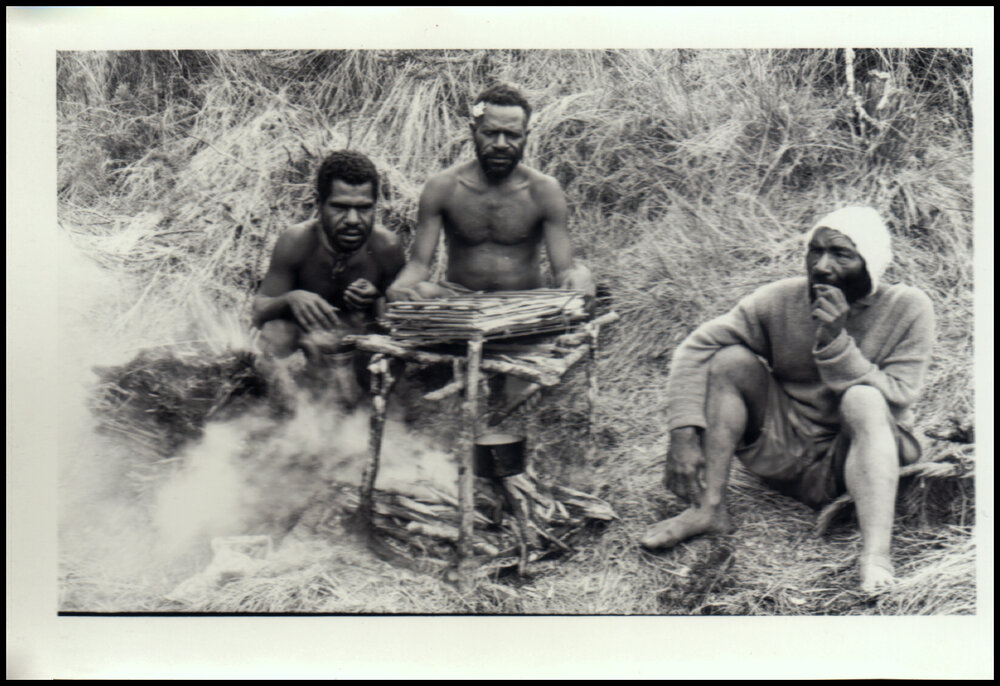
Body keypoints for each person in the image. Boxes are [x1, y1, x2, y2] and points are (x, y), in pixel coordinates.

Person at [641, 206, 936, 593]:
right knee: (730, 361)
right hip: (786, 453)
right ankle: (709, 508)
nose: (822, 266)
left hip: (859, 460)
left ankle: (876, 556)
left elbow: (898, 395)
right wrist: (682, 431)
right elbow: (696, 347)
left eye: (841, 254)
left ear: (872, 262)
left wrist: (835, 341)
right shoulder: (780, 300)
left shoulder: (909, 308)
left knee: (863, 399)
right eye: (815, 251)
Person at [386, 83, 594, 302]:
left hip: (525, 306)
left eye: (512, 135)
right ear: (473, 131)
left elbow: (562, 270)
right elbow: (419, 264)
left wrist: (576, 279)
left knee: (583, 283)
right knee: (422, 292)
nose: (501, 144)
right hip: (460, 304)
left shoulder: (544, 191)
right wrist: (400, 287)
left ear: (526, 135)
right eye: (491, 133)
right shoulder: (443, 187)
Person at [252, 150, 405, 398]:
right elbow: (258, 312)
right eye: (340, 208)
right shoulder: (297, 242)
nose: (353, 220)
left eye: (364, 208)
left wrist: (379, 296)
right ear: (318, 203)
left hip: (358, 353)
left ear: (376, 205)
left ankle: (370, 411)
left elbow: (402, 321)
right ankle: (274, 411)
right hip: (307, 352)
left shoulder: (386, 247)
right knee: (276, 334)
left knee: (387, 356)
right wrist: (291, 299)